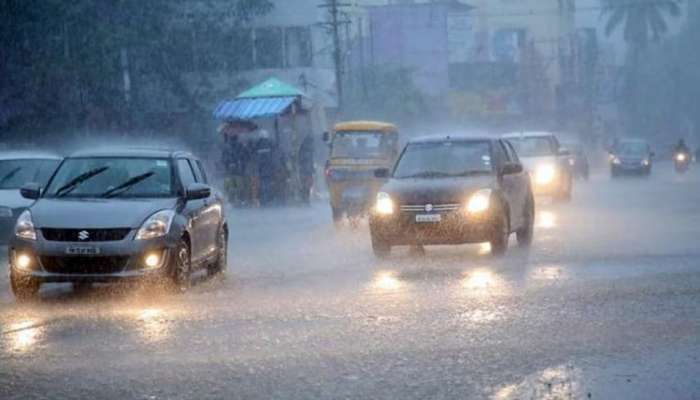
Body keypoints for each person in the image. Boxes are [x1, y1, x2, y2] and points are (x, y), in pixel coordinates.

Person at [298, 135, 314, 204]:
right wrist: (311, 168)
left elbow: (301, 159)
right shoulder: (308, 149)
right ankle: (306, 199)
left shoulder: (303, 148)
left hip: (304, 171)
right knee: (307, 186)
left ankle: (305, 199)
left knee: (305, 186)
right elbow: (309, 160)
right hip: (307, 171)